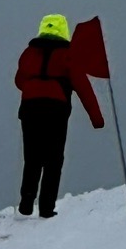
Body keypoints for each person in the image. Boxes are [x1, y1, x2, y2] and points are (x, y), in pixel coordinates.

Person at [14, 14, 104, 216]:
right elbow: (83, 87)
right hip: (55, 110)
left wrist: (35, 85)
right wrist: (96, 118)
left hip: (30, 109)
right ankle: (46, 207)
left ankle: (26, 203)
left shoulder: (29, 53)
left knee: (32, 157)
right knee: (53, 159)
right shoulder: (68, 55)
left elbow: (19, 81)